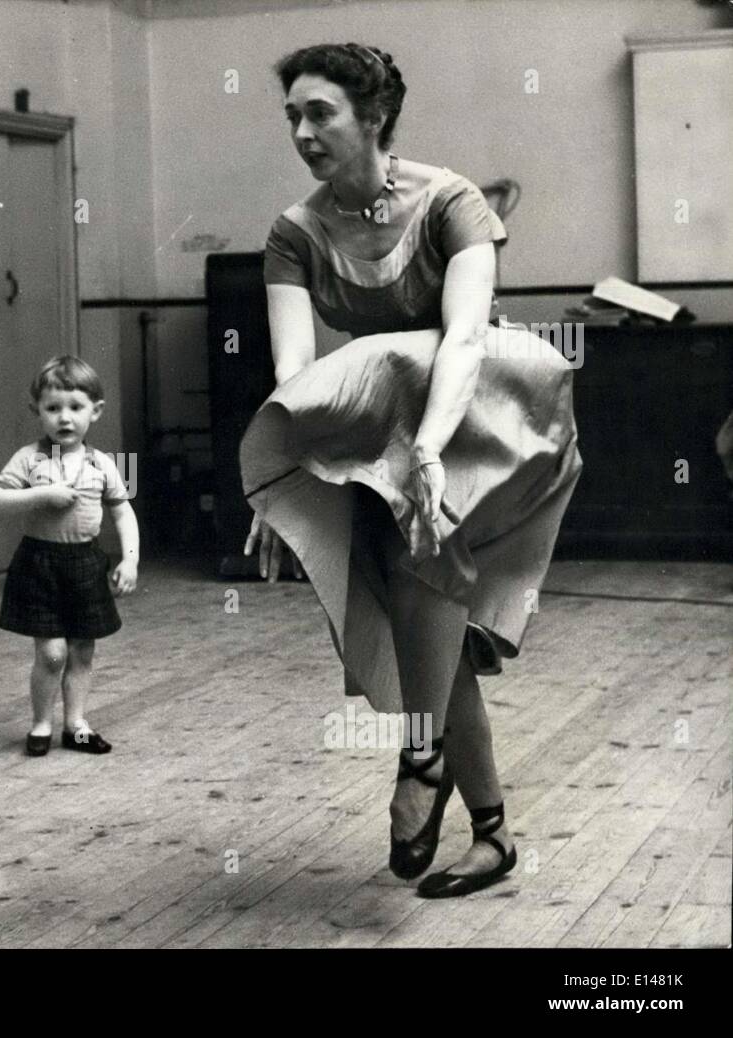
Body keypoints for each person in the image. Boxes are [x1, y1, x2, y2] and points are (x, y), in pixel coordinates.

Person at [241, 43, 582, 897]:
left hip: (476, 420)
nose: (303, 132)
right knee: (423, 630)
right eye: (293, 116)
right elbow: (293, 374)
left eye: (321, 113)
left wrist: (428, 451)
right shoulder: (295, 231)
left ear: (374, 118)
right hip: (371, 430)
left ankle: (420, 756)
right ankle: (493, 834)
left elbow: (464, 335)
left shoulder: (451, 200)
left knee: (424, 585)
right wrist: (286, 486)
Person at [0, 356, 139, 757]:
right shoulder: (29, 458)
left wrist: (130, 559)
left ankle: (76, 724)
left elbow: (123, 511)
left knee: (82, 650)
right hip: (40, 563)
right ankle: (41, 723)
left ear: (96, 411)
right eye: (53, 409)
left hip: (86, 564)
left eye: (75, 408)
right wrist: (41, 495)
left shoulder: (105, 463)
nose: (64, 418)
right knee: (52, 653)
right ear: (37, 410)